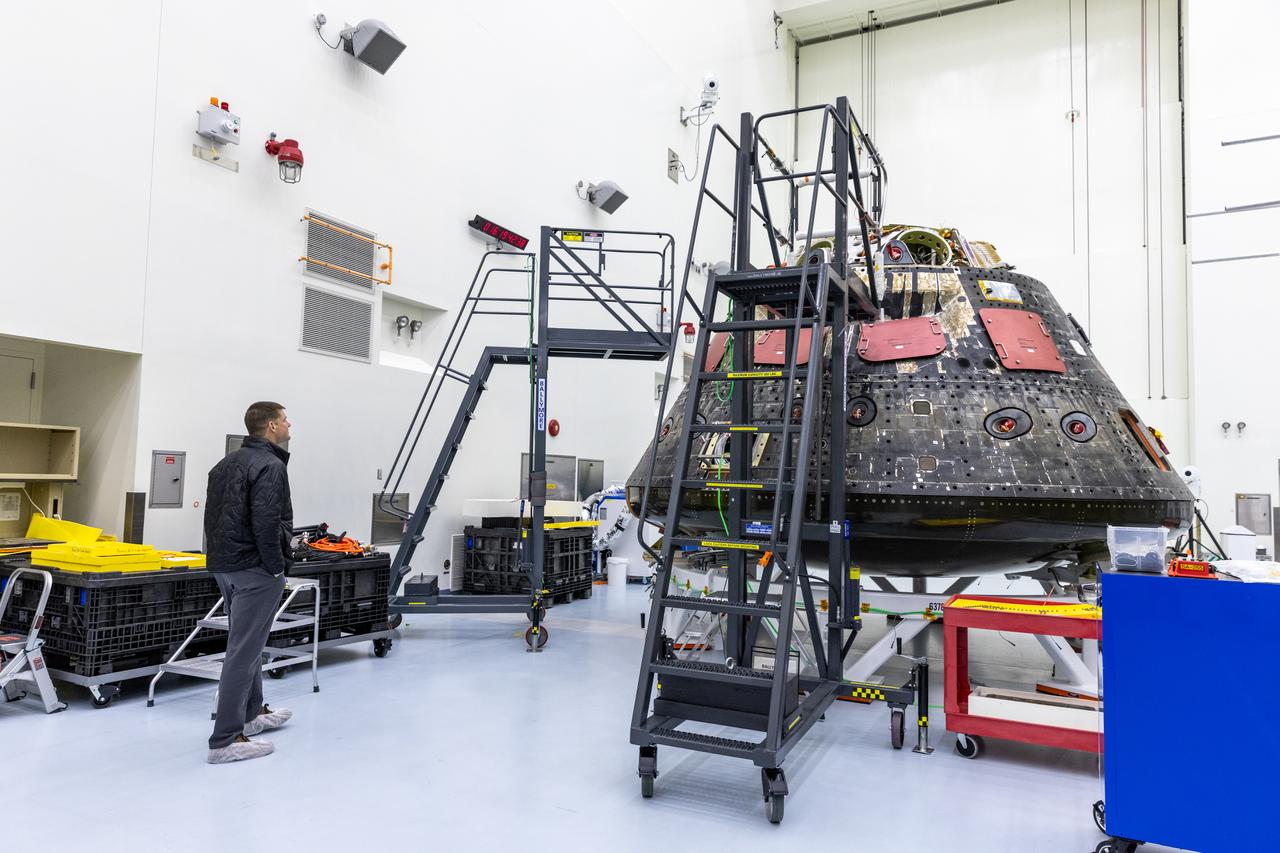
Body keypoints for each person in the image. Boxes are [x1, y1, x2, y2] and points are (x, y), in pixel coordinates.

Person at [202, 401, 296, 763]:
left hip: (224, 566)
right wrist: (276, 568)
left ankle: (252, 714)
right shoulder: (270, 466)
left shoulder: (224, 465)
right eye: (286, 420)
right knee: (243, 652)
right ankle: (225, 739)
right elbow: (267, 523)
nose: (290, 425)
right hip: (255, 569)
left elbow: (215, 519)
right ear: (271, 426)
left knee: (248, 643)